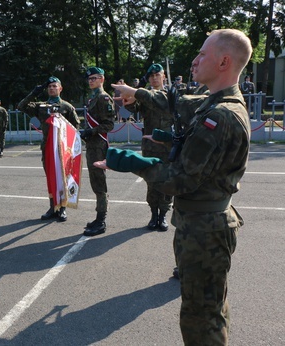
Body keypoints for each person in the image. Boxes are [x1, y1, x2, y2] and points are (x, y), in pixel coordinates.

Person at [98, 29, 252, 345]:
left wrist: (127, 160)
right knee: (210, 310)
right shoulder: (217, 103)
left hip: (204, 232)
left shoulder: (220, 115)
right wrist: (165, 130)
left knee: (200, 323)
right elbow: (179, 104)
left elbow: (179, 180)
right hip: (202, 226)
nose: (195, 61)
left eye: (202, 54)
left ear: (223, 61)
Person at [17, 76, 80, 222]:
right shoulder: (40, 106)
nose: (52, 88)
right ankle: (53, 208)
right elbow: (21, 106)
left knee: (62, 177)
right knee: (51, 177)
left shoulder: (67, 107)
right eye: (49, 86)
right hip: (47, 148)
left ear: (60, 88)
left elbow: (75, 127)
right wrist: (34, 92)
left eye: (55, 86)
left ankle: (62, 208)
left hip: (63, 150)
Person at [121, 63, 173, 232]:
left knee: (166, 181)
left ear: (163, 76)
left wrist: (137, 94)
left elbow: (157, 100)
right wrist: (128, 101)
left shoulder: (169, 94)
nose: (154, 78)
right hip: (150, 145)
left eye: (157, 75)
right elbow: (135, 108)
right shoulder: (144, 95)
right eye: (151, 76)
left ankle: (163, 214)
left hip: (166, 144)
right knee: (151, 181)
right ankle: (153, 214)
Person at [80, 67, 116, 236]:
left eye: (94, 78)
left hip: (99, 145)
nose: (91, 81)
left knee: (99, 181)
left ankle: (101, 221)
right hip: (92, 145)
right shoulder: (92, 98)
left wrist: (91, 132)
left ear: (102, 79)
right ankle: (98, 217)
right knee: (95, 181)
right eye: (89, 79)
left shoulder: (103, 98)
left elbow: (109, 125)